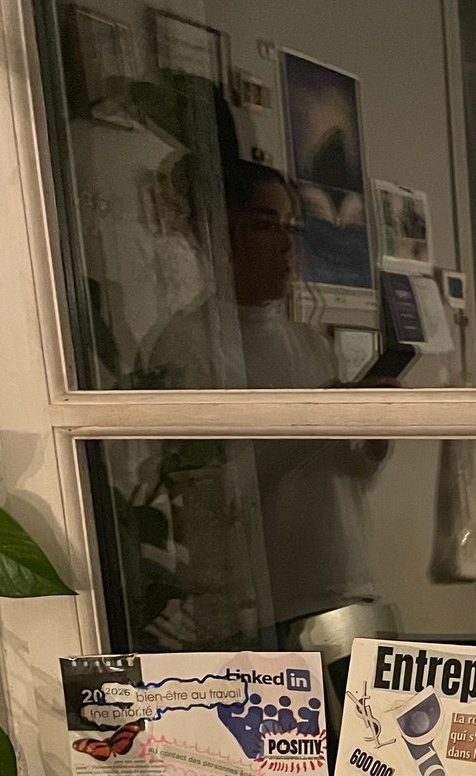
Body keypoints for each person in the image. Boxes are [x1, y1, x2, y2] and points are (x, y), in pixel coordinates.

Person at [145, 157, 392, 640]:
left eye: (291, 228)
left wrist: (376, 432)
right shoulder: (187, 344)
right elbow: (215, 491)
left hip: (346, 583)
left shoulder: (309, 341)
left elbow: (348, 472)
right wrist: (319, 419)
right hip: (264, 606)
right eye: (264, 226)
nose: (285, 244)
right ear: (217, 237)